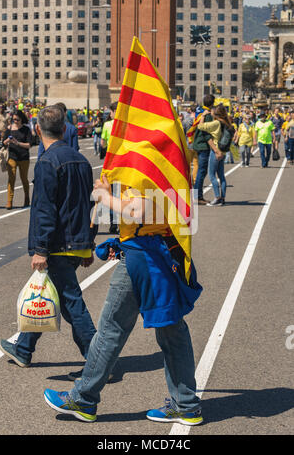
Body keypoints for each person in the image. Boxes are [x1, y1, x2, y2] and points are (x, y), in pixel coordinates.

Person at [43, 170, 204, 425]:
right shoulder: (167, 158)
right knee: (172, 332)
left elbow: (138, 212)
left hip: (143, 254)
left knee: (112, 328)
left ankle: (83, 398)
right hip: (160, 250)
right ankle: (185, 404)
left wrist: (105, 197)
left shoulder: (146, 159)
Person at [0, 105, 97, 369]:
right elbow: (90, 205)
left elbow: (45, 209)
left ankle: (98, 360)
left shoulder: (47, 161)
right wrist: (88, 243)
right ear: (65, 129)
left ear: (37, 129)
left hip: (58, 244)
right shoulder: (81, 160)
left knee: (70, 302)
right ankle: (24, 347)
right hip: (76, 241)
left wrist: (40, 248)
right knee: (52, 294)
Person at [198, 104, 233, 206]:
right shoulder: (227, 122)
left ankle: (217, 197)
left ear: (216, 114)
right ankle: (222, 198)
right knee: (221, 176)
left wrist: (203, 116)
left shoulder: (216, 123)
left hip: (216, 151)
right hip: (223, 151)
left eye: (213, 110)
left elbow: (200, 126)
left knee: (212, 175)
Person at [2, 110, 32, 210]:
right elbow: (3, 143)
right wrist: (7, 141)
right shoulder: (9, 128)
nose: (15, 121)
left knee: (24, 179)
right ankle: (9, 201)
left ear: (21, 119)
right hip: (12, 157)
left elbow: (29, 145)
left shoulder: (26, 129)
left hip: (24, 157)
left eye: (17, 119)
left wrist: (17, 143)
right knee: (11, 179)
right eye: (13, 119)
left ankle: (27, 199)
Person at [192, 94, 216, 205]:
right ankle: (198, 197)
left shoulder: (201, 112)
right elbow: (206, 133)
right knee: (202, 171)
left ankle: (197, 195)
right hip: (203, 146)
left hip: (197, 144)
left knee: (200, 171)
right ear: (212, 104)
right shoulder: (208, 115)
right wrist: (215, 148)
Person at [101, 102, 119, 234]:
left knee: (111, 194)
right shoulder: (127, 125)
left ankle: (113, 222)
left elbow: (102, 144)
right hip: (125, 163)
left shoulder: (107, 125)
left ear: (114, 111)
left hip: (111, 164)